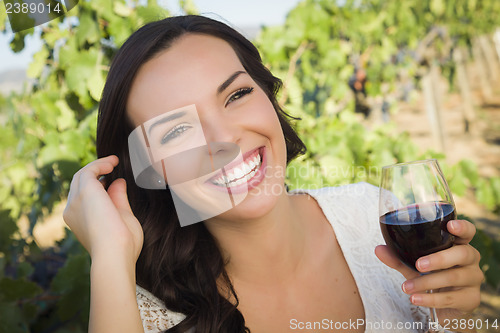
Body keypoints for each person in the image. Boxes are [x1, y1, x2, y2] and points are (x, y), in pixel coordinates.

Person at [63, 15, 483, 333]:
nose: (223, 138)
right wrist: (109, 256)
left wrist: (455, 318)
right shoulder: (136, 315)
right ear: (148, 172)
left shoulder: (368, 213)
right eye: (176, 131)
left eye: (237, 94)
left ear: (268, 94)